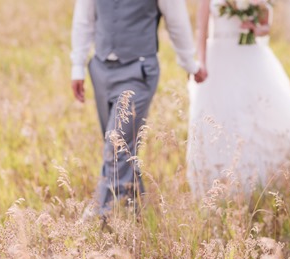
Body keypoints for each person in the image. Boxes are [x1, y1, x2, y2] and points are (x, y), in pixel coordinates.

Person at [187, 0, 290, 196]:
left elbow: (265, 27)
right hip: (218, 60)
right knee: (217, 115)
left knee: (263, 112)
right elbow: (202, 31)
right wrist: (201, 63)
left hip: (250, 57)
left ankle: (263, 181)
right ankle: (216, 183)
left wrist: (253, 28)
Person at [71, 0, 207, 214]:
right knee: (123, 149)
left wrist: (189, 63)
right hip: (100, 69)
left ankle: (100, 216)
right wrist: (78, 66)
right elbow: (84, 18)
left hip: (138, 70)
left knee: (116, 146)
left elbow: (176, 19)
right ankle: (136, 212)